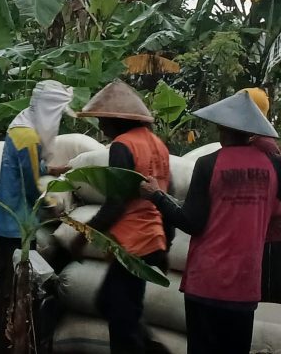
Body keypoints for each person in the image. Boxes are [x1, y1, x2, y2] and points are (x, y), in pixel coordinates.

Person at [141, 91, 281, 354]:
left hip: (207, 281)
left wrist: (157, 196)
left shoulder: (208, 164)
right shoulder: (273, 165)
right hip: (245, 285)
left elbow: (192, 222)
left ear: (222, 126)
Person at [73, 80, 172, 354]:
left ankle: (148, 349)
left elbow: (116, 202)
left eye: (104, 120)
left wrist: (83, 235)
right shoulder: (157, 145)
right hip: (152, 240)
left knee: (116, 314)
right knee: (122, 307)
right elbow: (168, 197)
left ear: (118, 119)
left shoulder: (123, 146)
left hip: (132, 246)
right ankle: (149, 346)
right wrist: (166, 245)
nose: (101, 127)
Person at [0, 80, 75, 354]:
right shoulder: (28, 137)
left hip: (10, 221)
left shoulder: (20, 127)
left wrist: (52, 167)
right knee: (12, 289)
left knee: (7, 284)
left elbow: (30, 167)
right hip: (19, 225)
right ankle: (6, 344)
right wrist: (57, 210)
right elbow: (33, 185)